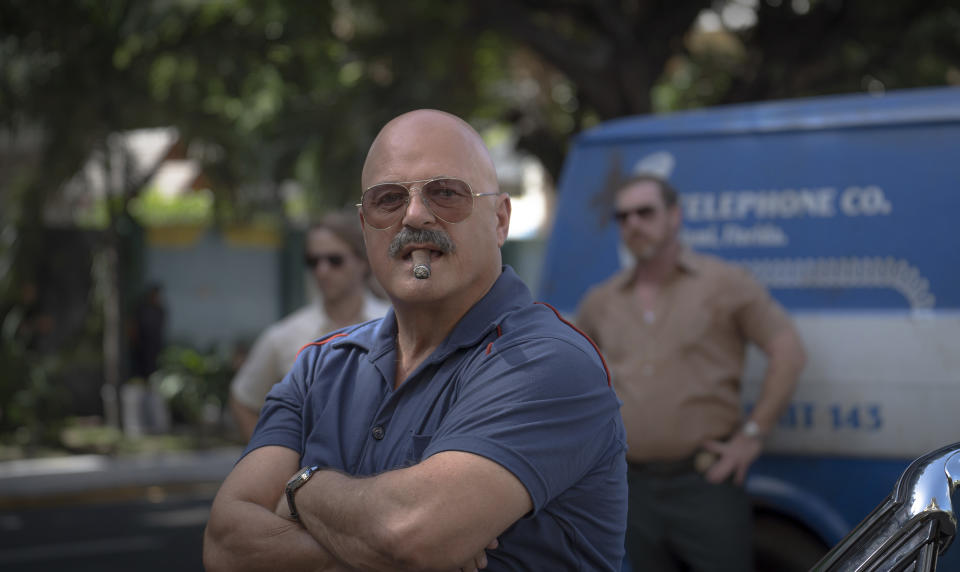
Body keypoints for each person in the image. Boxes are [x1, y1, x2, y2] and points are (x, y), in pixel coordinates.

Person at [203, 109, 628, 571]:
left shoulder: (549, 361)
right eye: (387, 200)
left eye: (446, 193)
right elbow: (226, 547)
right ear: (365, 227)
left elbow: (409, 535)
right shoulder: (320, 366)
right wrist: (383, 547)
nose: (416, 214)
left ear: (500, 219)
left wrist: (303, 488)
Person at [576, 173, 807, 571]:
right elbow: (574, 376)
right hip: (631, 486)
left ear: (675, 216)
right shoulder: (602, 300)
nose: (633, 224)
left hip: (706, 483)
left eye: (645, 212)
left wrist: (752, 436)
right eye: (623, 216)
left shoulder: (724, 283)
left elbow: (788, 349)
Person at [228, 211, 390, 440]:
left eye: (335, 260)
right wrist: (271, 463)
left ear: (363, 262)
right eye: (313, 261)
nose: (322, 271)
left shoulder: (396, 323)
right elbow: (243, 400)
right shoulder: (283, 335)